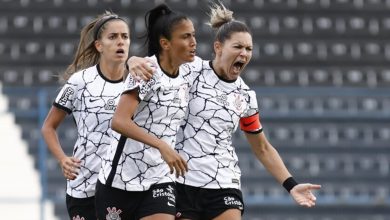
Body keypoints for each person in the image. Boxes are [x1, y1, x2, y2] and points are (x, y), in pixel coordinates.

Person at [127, 3, 321, 220]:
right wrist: (132, 60)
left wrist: (291, 185)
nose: (244, 53)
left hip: (224, 181)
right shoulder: (191, 70)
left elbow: (262, 147)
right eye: (238, 47)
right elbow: (156, 65)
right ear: (218, 47)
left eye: (249, 49)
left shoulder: (246, 96)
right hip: (182, 180)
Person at [94, 4, 196, 220]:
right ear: (165, 43)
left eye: (193, 35)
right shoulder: (146, 71)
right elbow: (119, 121)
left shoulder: (189, 70)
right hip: (120, 179)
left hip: (159, 179)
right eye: (186, 37)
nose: (193, 42)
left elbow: (219, 65)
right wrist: (162, 145)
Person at [41, 11, 130, 220]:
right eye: (113, 37)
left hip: (123, 184)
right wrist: (63, 159)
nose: (120, 42)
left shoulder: (136, 82)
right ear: (99, 45)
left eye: (125, 36)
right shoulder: (80, 82)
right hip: (84, 184)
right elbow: (48, 127)